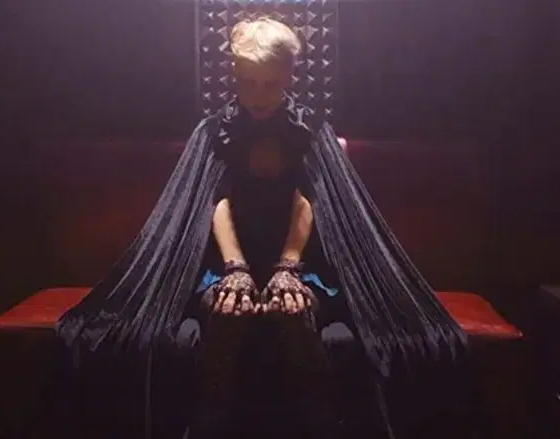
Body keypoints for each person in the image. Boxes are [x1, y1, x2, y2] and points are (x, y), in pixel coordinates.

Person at [55, 16, 469, 439]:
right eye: (248, 83)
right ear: (234, 74)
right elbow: (213, 201)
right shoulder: (214, 131)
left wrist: (288, 267)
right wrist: (234, 267)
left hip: (306, 262)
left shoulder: (310, 130)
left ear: (290, 75)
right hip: (221, 259)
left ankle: (321, 425)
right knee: (228, 311)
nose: (258, 96)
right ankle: (207, 424)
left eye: (270, 84)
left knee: (292, 311)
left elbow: (310, 200)